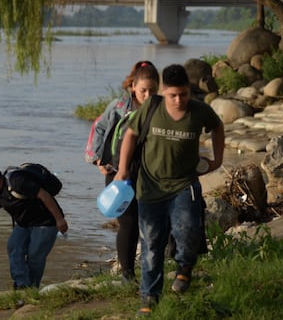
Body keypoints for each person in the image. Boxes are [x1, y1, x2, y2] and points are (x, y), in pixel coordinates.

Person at [113, 64, 224, 315]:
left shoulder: (199, 110)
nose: (178, 100)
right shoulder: (151, 107)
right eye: (172, 95)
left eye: (183, 94)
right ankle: (149, 299)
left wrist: (217, 160)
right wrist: (121, 171)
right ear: (163, 91)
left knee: (189, 232)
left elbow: (217, 127)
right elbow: (130, 134)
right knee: (151, 245)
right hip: (150, 188)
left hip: (184, 184)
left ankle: (184, 269)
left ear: (189, 91)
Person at [89, 60, 159, 283]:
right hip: (118, 172)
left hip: (149, 173)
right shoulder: (119, 106)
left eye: (152, 90)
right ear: (133, 87)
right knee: (128, 221)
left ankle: (155, 268)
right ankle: (128, 274)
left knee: (151, 220)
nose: (147, 95)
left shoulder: (161, 108)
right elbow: (98, 128)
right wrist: (97, 158)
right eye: (143, 90)